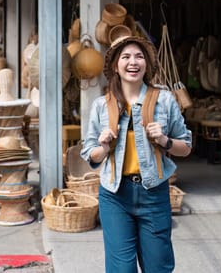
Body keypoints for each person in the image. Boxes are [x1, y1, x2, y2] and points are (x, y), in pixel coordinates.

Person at [81, 35, 192, 273]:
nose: (133, 62)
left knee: (158, 267)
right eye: (126, 57)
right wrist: (104, 147)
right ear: (115, 66)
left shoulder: (164, 100)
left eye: (139, 57)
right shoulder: (102, 105)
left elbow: (186, 146)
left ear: (146, 65)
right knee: (121, 269)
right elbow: (91, 154)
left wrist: (165, 140)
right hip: (115, 196)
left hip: (154, 194)